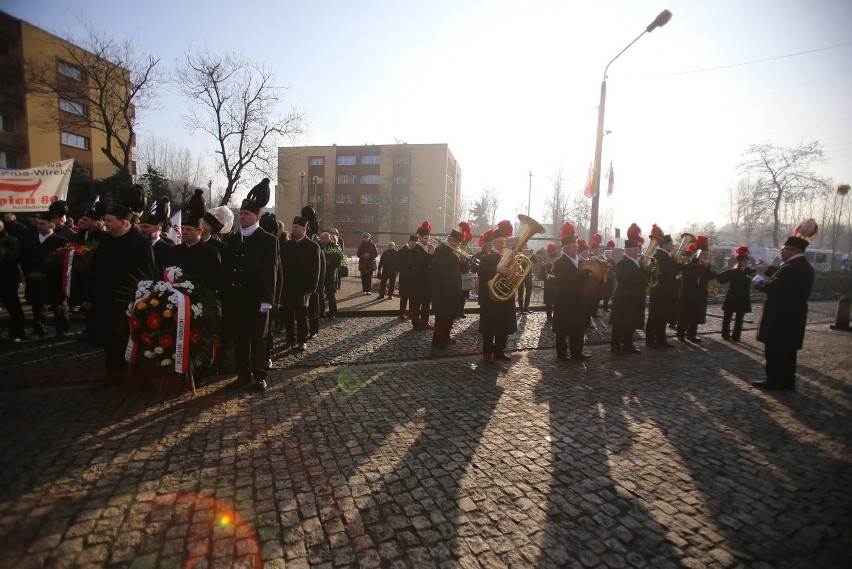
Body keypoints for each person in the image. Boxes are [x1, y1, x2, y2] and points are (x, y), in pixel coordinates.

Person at [83, 185, 155, 385]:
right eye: (105, 220)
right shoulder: (105, 242)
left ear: (123, 223)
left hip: (132, 302)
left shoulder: (140, 245)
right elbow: (94, 271)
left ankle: (142, 378)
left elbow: (148, 274)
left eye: (109, 221)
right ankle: (114, 377)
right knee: (110, 342)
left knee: (137, 340)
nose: (105, 224)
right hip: (106, 301)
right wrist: (89, 296)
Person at [220, 179, 279, 392]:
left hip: (257, 300)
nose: (243, 217)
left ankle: (259, 376)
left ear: (257, 217)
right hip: (237, 299)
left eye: (247, 215)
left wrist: (267, 300)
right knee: (240, 340)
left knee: (258, 340)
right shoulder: (233, 240)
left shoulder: (268, 240)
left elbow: (270, 272)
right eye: (241, 214)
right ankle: (242, 375)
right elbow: (228, 270)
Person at [752, 221, 816, 391]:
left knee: (774, 350)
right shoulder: (803, 266)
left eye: (783, 249)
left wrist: (758, 282)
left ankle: (773, 380)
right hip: (793, 316)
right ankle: (788, 381)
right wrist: (770, 267)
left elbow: (775, 287)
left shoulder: (791, 267)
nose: (781, 252)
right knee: (788, 351)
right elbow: (784, 280)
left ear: (792, 250)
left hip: (780, 317)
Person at [170, 191, 223, 386]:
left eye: (189, 230)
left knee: (200, 340)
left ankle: (201, 372)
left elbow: (216, 279)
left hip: (202, 304)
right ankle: (180, 370)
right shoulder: (175, 251)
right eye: (182, 229)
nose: (184, 233)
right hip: (178, 304)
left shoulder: (211, 252)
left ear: (199, 232)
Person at [21, 213, 70, 338]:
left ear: (51, 225)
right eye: (38, 223)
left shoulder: (61, 241)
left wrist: (45, 273)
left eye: (42, 224)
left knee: (58, 305)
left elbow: (61, 262)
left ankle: (62, 328)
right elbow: (24, 258)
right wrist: (29, 273)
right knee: (37, 305)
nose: (39, 226)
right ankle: (39, 329)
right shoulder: (29, 240)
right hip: (33, 278)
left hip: (52, 279)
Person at [279, 214, 321, 351]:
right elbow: (281, 266)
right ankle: (290, 338)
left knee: (301, 316)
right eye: (293, 227)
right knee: (287, 316)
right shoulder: (286, 245)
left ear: (304, 229)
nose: (294, 230)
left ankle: (302, 340)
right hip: (287, 287)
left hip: (303, 287)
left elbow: (316, 268)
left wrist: (313, 286)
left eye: (296, 227)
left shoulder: (312, 246)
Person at [477, 223, 517, 363]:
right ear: (493, 241)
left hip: (505, 296)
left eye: (505, 241)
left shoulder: (510, 256)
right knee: (490, 327)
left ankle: (499, 352)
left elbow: (514, 275)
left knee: (503, 327)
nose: (503, 243)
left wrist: (513, 275)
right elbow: (481, 272)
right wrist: (496, 269)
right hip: (490, 298)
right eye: (500, 241)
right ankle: (487, 353)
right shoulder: (486, 257)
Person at [552, 222, 592, 361]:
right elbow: (561, 280)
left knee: (578, 327)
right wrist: (579, 276)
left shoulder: (581, 262)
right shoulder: (559, 262)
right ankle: (562, 354)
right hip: (565, 300)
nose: (577, 248)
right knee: (563, 329)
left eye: (576, 246)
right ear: (566, 248)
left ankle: (577, 352)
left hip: (579, 299)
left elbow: (584, 280)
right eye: (574, 246)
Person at [609, 227, 647, 355]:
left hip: (636, 298)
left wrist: (648, 272)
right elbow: (625, 277)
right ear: (628, 250)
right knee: (620, 324)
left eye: (638, 249)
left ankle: (628, 344)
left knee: (631, 323)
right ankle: (615, 346)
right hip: (624, 299)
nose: (638, 251)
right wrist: (644, 276)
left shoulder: (640, 262)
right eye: (635, 249)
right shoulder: (622, 263)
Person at [676, 236, 716, 343]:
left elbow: (713, 276)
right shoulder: (690, 263)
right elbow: (688, 276)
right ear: (698, 254)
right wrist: (698, 266)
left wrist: (707, 267)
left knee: (696, 315)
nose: (705, 257)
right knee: (685, 315)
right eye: (704, 254)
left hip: (700, 293)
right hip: (689, 293)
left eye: (707, 255)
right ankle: (681, 333)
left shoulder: (707, 265)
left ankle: (692, 334)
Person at [429, 229, 464, 347]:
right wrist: (457, 257)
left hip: (451, 289)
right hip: (443, 290)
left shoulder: (451, 250)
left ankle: (445, 337)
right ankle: (438, 341)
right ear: (452, 240)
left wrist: (460, 259)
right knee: (442, 317)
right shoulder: (441, 249)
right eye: (458, 243)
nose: (459, 245)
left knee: (449, 317)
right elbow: (444, 265)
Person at [645, 227, 677, 348]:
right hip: (659, 290)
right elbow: (661, 272)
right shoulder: (658, 256)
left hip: (666, 290)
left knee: (663, 316)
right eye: (671, 244)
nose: (673, 246)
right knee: (655, 316)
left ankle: (661, 338)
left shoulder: (668, 256)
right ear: (664, 245)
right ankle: (650, 339)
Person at [716, 245, 755, 342]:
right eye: (744, 262)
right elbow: (721, 279)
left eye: (747, 261)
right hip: (732, 296)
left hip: (743, 296)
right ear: (740, 263)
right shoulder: (732, 272)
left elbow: (754, 280)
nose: (746, 263)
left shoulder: (750, 272)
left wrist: (749, 271)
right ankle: (725, 334)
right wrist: (716, 272)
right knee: (727, 317)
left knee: (739, 318)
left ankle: (736, 336)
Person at [0, 220, 25, 343]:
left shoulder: (12, 241)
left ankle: (17, 332)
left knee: (13, 308)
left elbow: (11, 261)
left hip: (7, 280)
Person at [137, 197, 174, 273]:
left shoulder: (168, 249)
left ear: (158, 229)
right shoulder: (136, 245)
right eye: (141, 226)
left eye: (146, 227)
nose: (142, 229)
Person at [410, 221, 433, 330]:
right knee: (416, 303)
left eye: (428, 239)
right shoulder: (415, 248)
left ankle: (425, 321)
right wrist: (430, 254)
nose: (427, 241)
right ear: (419, 237)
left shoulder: (427, 247)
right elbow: (420, 262)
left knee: (426, 303)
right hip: (418, 280)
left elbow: (431, 262)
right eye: (425, 239)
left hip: (428, 280)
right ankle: (416, 323)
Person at [318, 232, 341, 319]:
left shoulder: (334, 247)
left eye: (322, 238)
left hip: (330, 272)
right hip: (321, 272)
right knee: (320, 292)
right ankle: (321, 312)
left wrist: (329, 263)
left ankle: (333, 313)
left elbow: (338, 261)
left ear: (328, 238)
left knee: (330, 293)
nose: (320, 239)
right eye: (320, 238)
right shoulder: (319, 246)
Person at [396, 234, 417, 319]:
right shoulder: (402, 251)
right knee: (404, 296)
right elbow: (398, 264)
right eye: (412, 243)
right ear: (408, 242)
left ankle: (411, 313)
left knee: (412, 297)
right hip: (405, 277)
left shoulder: (415, 250)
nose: (413, 245)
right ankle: (401, 313)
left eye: (415, 244)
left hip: (413, 277)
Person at [538, 243, 559, 320]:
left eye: (557, 258)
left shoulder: (559, 266)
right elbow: (539, 275)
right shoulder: (545, 266)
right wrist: (547, 277)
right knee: (549, 303)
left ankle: (556, 316)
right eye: (554, 258)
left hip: (556, 287)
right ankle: (549, 317)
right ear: (551, 259)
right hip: (548, 287)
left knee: (556, 302)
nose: (556, 260)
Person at [516, 247, 534, 314]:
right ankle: (520, 309)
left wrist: (532, 254)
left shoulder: (529, 253)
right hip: (520, 275)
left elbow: (536, 261)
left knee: (529, 292)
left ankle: (526, 307)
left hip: (528, 275)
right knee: (520, 292)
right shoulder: (518, 253)